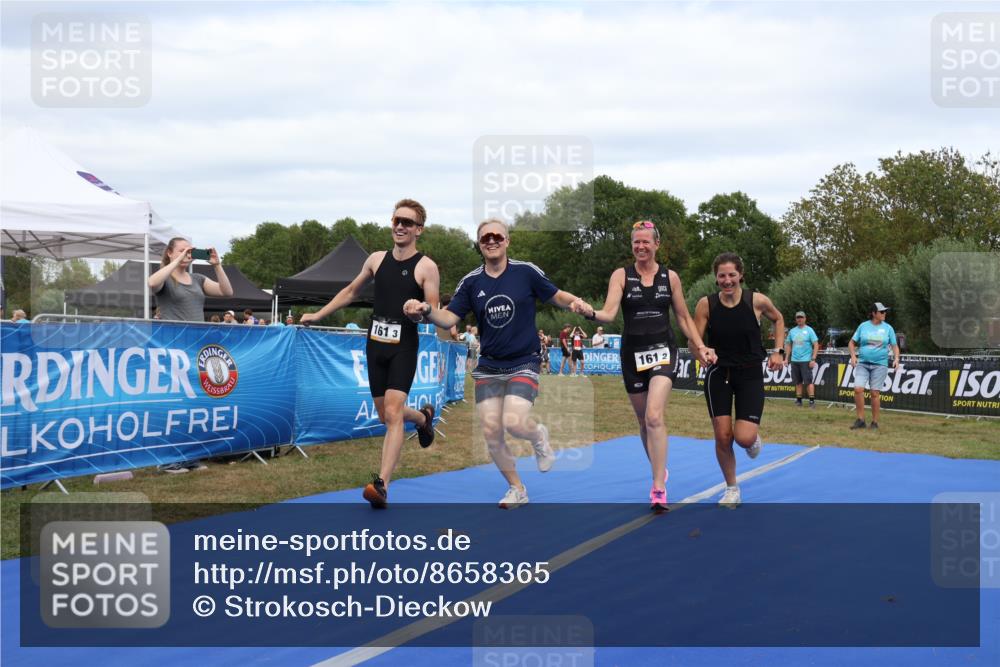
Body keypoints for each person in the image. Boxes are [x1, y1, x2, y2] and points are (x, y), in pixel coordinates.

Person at [406, 218, 589, 509]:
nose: (491, 241)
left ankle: (538, 437)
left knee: (514, 422)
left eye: (497, 236)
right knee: (492, 433)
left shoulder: (525, 272)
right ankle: (517, 488)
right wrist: (427, 310)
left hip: (523, 361)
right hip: (489, 366)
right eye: (485, 238)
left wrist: (575, 302)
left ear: (507, 241)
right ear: (479, 244)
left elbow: (555, 296)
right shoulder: (471, 282)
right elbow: (449, 318)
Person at [300, 198, 438, 509]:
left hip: (404, 346)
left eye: (407, 222)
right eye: (396, 220)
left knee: (393, 413)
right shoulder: (376, 260)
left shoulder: (426, 267)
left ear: (419, 229)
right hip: (375, 345)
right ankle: (422, 418)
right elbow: (351, 291)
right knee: (385, 415)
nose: (400, 226)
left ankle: (382, 485)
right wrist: (318, 314)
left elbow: (434, 311)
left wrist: (419, 312)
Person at [574, 220, 711, 512]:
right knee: (642, 421)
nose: (640, 246)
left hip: (663, 351)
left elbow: (683, 317)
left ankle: (658, 487)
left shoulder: (670, 277)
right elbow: (609, 313)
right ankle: (660, 468)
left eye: (646, 241)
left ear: (656, 244)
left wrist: (699, 346)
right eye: (636, 242)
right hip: (632, 355)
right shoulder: (621, 275)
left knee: (654, 416)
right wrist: (590, 313)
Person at [692, 252, 785, 509]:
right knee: (723, 436)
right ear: (716, 277)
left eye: (732, 274)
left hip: (750, 373)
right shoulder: (706, 305)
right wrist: (701, 352)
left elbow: (778, 319)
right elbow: (693, 339)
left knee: (743, 438)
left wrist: (779, 351)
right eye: (722, 275)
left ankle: (752, 438)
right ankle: (732, 489)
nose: (727, 280)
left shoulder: (757, 300)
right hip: (718, 374)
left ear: (740, 275)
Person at [148, 237, 233, 473]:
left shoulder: (197, 279)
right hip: (172, 348)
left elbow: (227, 291)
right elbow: (152, 282)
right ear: (169, 253)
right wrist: (175, 262)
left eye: (189, 250)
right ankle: (167, 460)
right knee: (174, 404)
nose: (187, 253)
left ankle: (188, 456)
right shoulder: (166, 278)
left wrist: (217, 265)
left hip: (196, 348)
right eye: (181, 250)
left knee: (192, 405)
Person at [848, 302, 899, 431]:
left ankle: (875, 423)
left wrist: (896, 359)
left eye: (885, 311)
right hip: (863, 363)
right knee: (858, 389)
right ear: (874, 313)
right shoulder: (863, 326)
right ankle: (860, 420)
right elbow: (851, 343)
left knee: (874, 393)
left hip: (880, 365)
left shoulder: (888, 328)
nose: (884, 313)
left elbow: (894, 346)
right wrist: (853, 356)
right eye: (882, 312)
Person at [784, 311, 819, 408]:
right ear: (796, 319)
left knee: (808, 382)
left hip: (806, 360)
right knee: (798, 382)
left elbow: (816, 344)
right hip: (794, 360)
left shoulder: (809, 330)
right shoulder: (792, 331)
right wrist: (786, 358)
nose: (799, 319)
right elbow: (788, 344)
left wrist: (813, 359)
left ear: (805, 318)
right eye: (798, 317)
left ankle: (812, 401)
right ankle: (799, 401)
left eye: (801, 317)